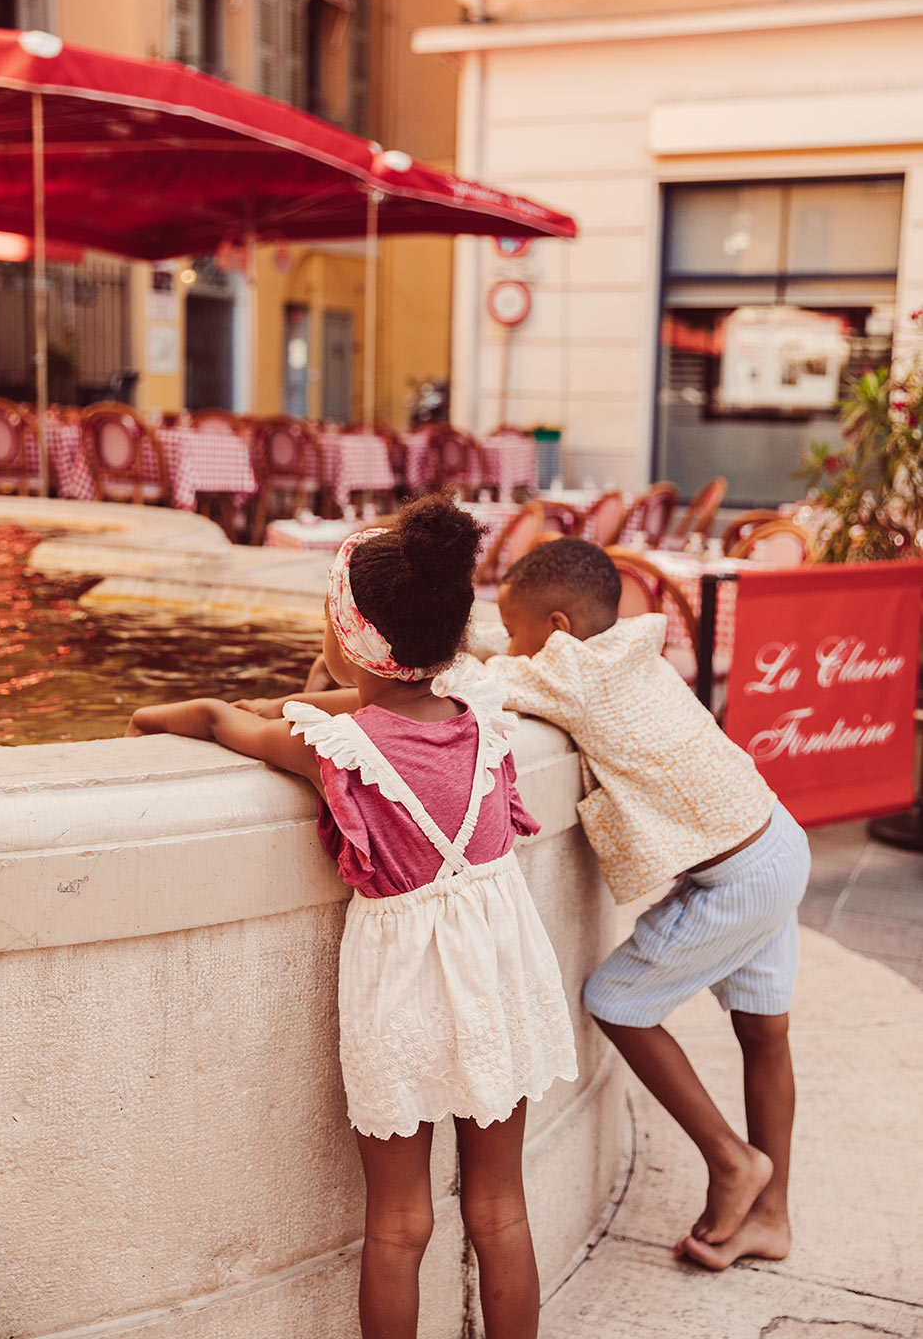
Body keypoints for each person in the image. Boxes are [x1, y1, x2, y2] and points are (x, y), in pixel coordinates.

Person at [125, 494, 577, 1339]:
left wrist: (146, 719)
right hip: (495, 966)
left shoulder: (339, 751)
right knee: (499, 1209)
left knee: (399, 1224)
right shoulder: (483, 721)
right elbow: (374, 707)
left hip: (404, 987)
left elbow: (221, 721)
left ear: (347, 637)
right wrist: (338, 682)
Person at [470, 537, 811, 1273]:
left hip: (740, 874)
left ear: (557, 630)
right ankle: (771, 1219)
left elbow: (472, 684)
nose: (509, 644)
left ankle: (729, 1160)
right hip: (773, 840)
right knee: (763, 1031)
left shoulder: (568, 673)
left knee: (617, 999)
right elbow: (499, 652)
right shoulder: (622, 648)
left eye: (515, 628)